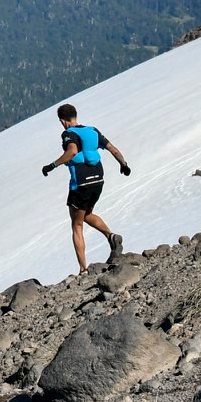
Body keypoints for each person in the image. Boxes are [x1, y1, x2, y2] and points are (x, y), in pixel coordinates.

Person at [41, 103, 132, 274]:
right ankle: (111, 236)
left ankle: (83, 269)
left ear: (63, 121)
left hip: (80, 183)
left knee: (77, 225)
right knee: (86, 214)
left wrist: (51, 166)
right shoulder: (93, 131)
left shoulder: (68, 133)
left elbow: (73, 151)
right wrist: (124, 165)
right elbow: (112, 149)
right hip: (98, 180)